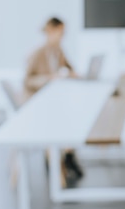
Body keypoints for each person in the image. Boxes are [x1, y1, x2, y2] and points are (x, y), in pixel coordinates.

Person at [23, 17, 84, 182]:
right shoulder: (38, 53)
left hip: (53, 102)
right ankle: (64, 157)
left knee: (70, 117)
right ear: (50, 31)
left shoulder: (59, 51)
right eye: (61, 32)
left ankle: (68, 155)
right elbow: (28, 80)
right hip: (37, 105)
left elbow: (70, 69)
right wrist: (50, 78)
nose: (62, 36)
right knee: (63, 120)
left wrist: (71, 74)